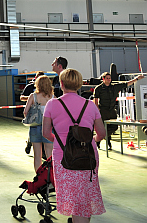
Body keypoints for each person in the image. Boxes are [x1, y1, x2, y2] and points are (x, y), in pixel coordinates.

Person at [42, 68, 106, 223]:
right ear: (79, 84)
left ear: (61, 84)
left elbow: (45, 133)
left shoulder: (52, 104)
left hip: (63, 157)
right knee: (84, 198)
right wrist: (92, 140)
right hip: (88, 155)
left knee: (74, 200)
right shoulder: (90, 105)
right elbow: (101, 133)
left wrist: (60, 142)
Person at [93, 71, 144, 150]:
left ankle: (101, 138)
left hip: (112, 110)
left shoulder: (114, 87)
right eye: (107, 78)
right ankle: (103, 142)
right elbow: (95, 99)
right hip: (103, 110)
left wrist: (136, 79)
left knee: (114, 127)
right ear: (103, 79)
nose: (109, 79)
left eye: (110, 78)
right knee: (103, 127)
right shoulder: (98, 88)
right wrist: (97, 109)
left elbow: (126, 84)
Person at [23, 75, 54, 172]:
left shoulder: (33, 96)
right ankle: (50, 176)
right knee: (49, 154)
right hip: (48, 128)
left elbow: (25, 111)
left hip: (35, 127)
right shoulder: (52, 97)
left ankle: (38, 176)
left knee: (37, 155)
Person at [20, 71, 46, 154]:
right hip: (34, 114)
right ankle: (29, 144)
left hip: (45, 118)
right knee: (34, 130)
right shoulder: (30, 87)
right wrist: (33, 99)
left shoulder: (48, 92)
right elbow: (22, 97)